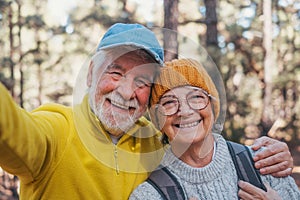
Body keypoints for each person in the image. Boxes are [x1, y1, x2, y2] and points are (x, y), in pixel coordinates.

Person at [0, 23, 294, 200]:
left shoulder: (155, 140)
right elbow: (12, 130)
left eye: (141, 81)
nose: (127, 92)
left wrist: (272, 153)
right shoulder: (54, 131)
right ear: (91, 73)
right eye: (115, 72)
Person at [129, 58, 300, 200]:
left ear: (212, 105)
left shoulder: (264, 165)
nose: (185, 111)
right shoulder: (148, 194)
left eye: (196, 97)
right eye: (169, 102)